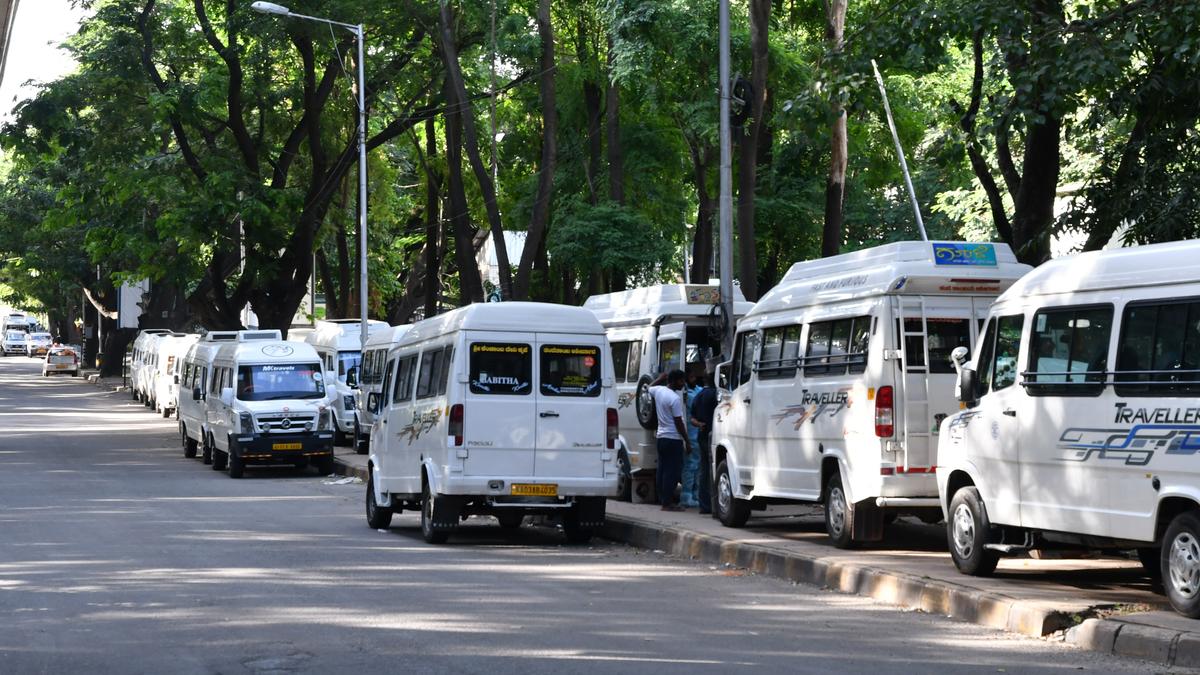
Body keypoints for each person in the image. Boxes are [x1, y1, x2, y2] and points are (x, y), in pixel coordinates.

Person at [649, 369, 692, 511]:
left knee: (662, 470)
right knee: (671, 472)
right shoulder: (674, 399)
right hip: (673, 439)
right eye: (681, 380)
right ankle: (667, 503)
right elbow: (679, 422)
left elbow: (648, 387)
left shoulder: (659, 391)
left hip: (661, 437)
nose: (683, 383)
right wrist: (687, 440)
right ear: (673, 381)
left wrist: (660, 378)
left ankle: (663, 499)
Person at [690, 374, 719, 515]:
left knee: (704, 469)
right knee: (712, 470)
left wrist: (699, 424)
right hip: (713, 435)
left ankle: (704, 504)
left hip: (701, 434)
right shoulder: (716, 395)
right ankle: (713, 505)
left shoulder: (698, 395)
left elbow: (692, 419)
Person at [679, 376, 703, 508]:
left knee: (697, 467)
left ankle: (694, 494)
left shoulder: (695, 392)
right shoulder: (688, 395)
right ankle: (687, 496)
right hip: (691, 435)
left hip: (695, 434)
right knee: (690, 466)